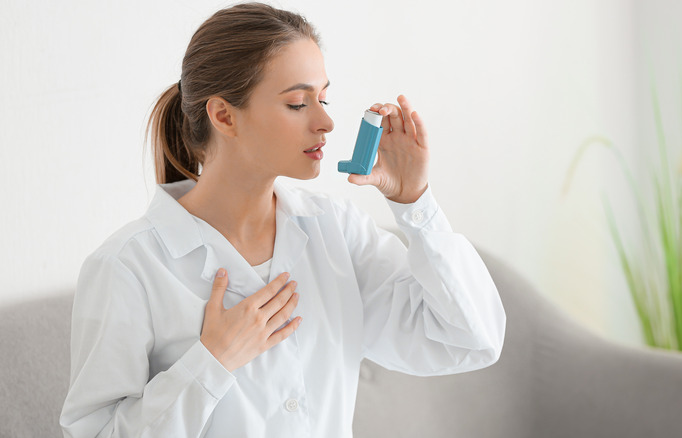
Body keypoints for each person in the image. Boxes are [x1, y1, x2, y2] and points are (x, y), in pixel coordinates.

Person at [60, 2, 506, 437]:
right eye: (298, 104)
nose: (326, 121)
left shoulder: (335, 231)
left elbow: (468, 340)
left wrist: (415, 204)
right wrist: (210, 363)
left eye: (325, 98)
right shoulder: (127, 267)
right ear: (223, 116)